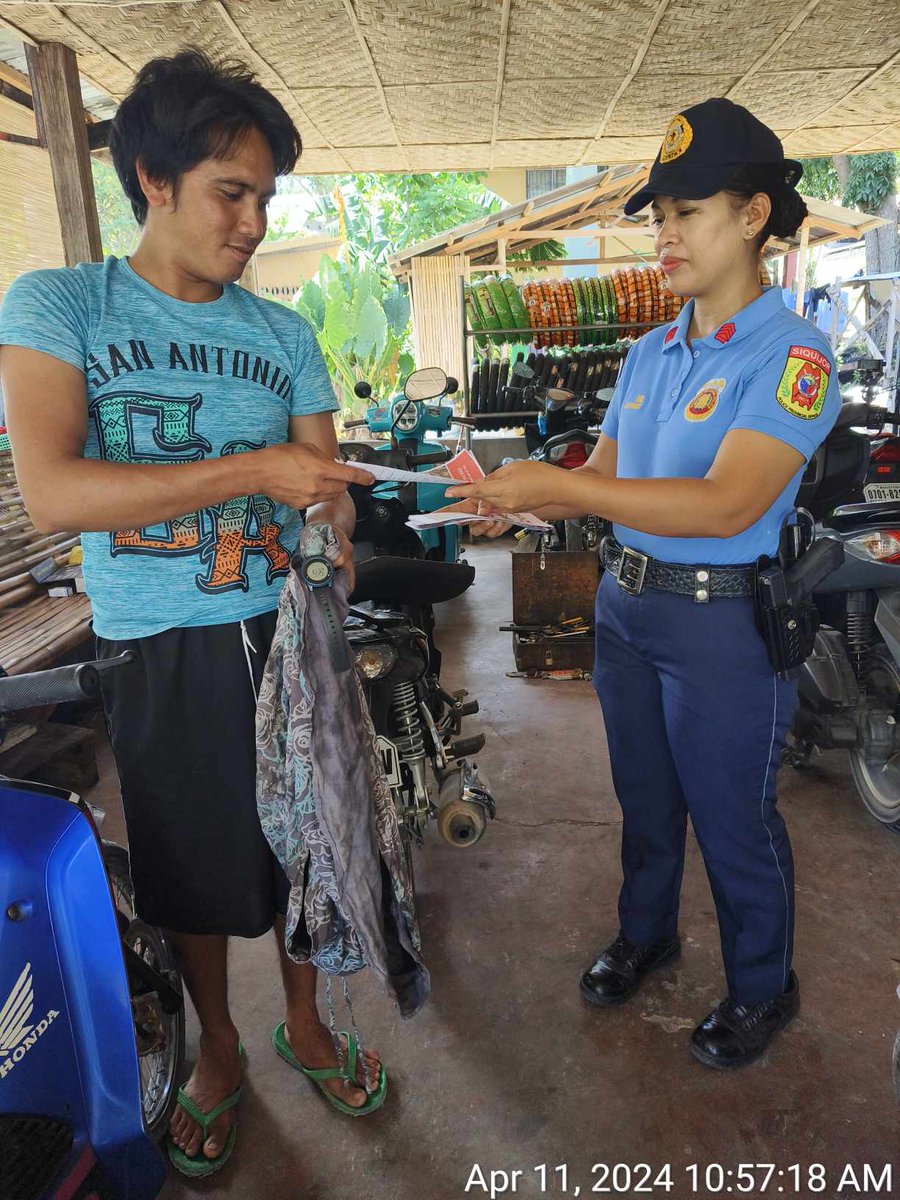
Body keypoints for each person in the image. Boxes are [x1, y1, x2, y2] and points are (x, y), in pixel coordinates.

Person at [0, 48, 384, 1177]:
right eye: (233, 190)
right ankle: (220, 1048)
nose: (256, 221)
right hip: (158, 642)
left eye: (267, 195)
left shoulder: (284, 336)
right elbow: (62, 491)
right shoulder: (62, 304)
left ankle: (304, 1022)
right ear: (152, 181)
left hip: (289, 635)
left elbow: (320, 489)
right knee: (192, 867)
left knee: (309, 845)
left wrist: (337, 537)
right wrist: (251, 470)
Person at [447, 98, 842, 1069]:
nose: (664, 235)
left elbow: (722, 505)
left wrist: (563, 484)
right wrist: (528, 501)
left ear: (752, 215)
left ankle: (762, 985)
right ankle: (648, 930)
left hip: (722, 626)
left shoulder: (793, 356)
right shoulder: (646, 353)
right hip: (624, 606)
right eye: (658, 215)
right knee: (646, 798)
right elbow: (607, 485)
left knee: (732, 815)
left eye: (688, 212)